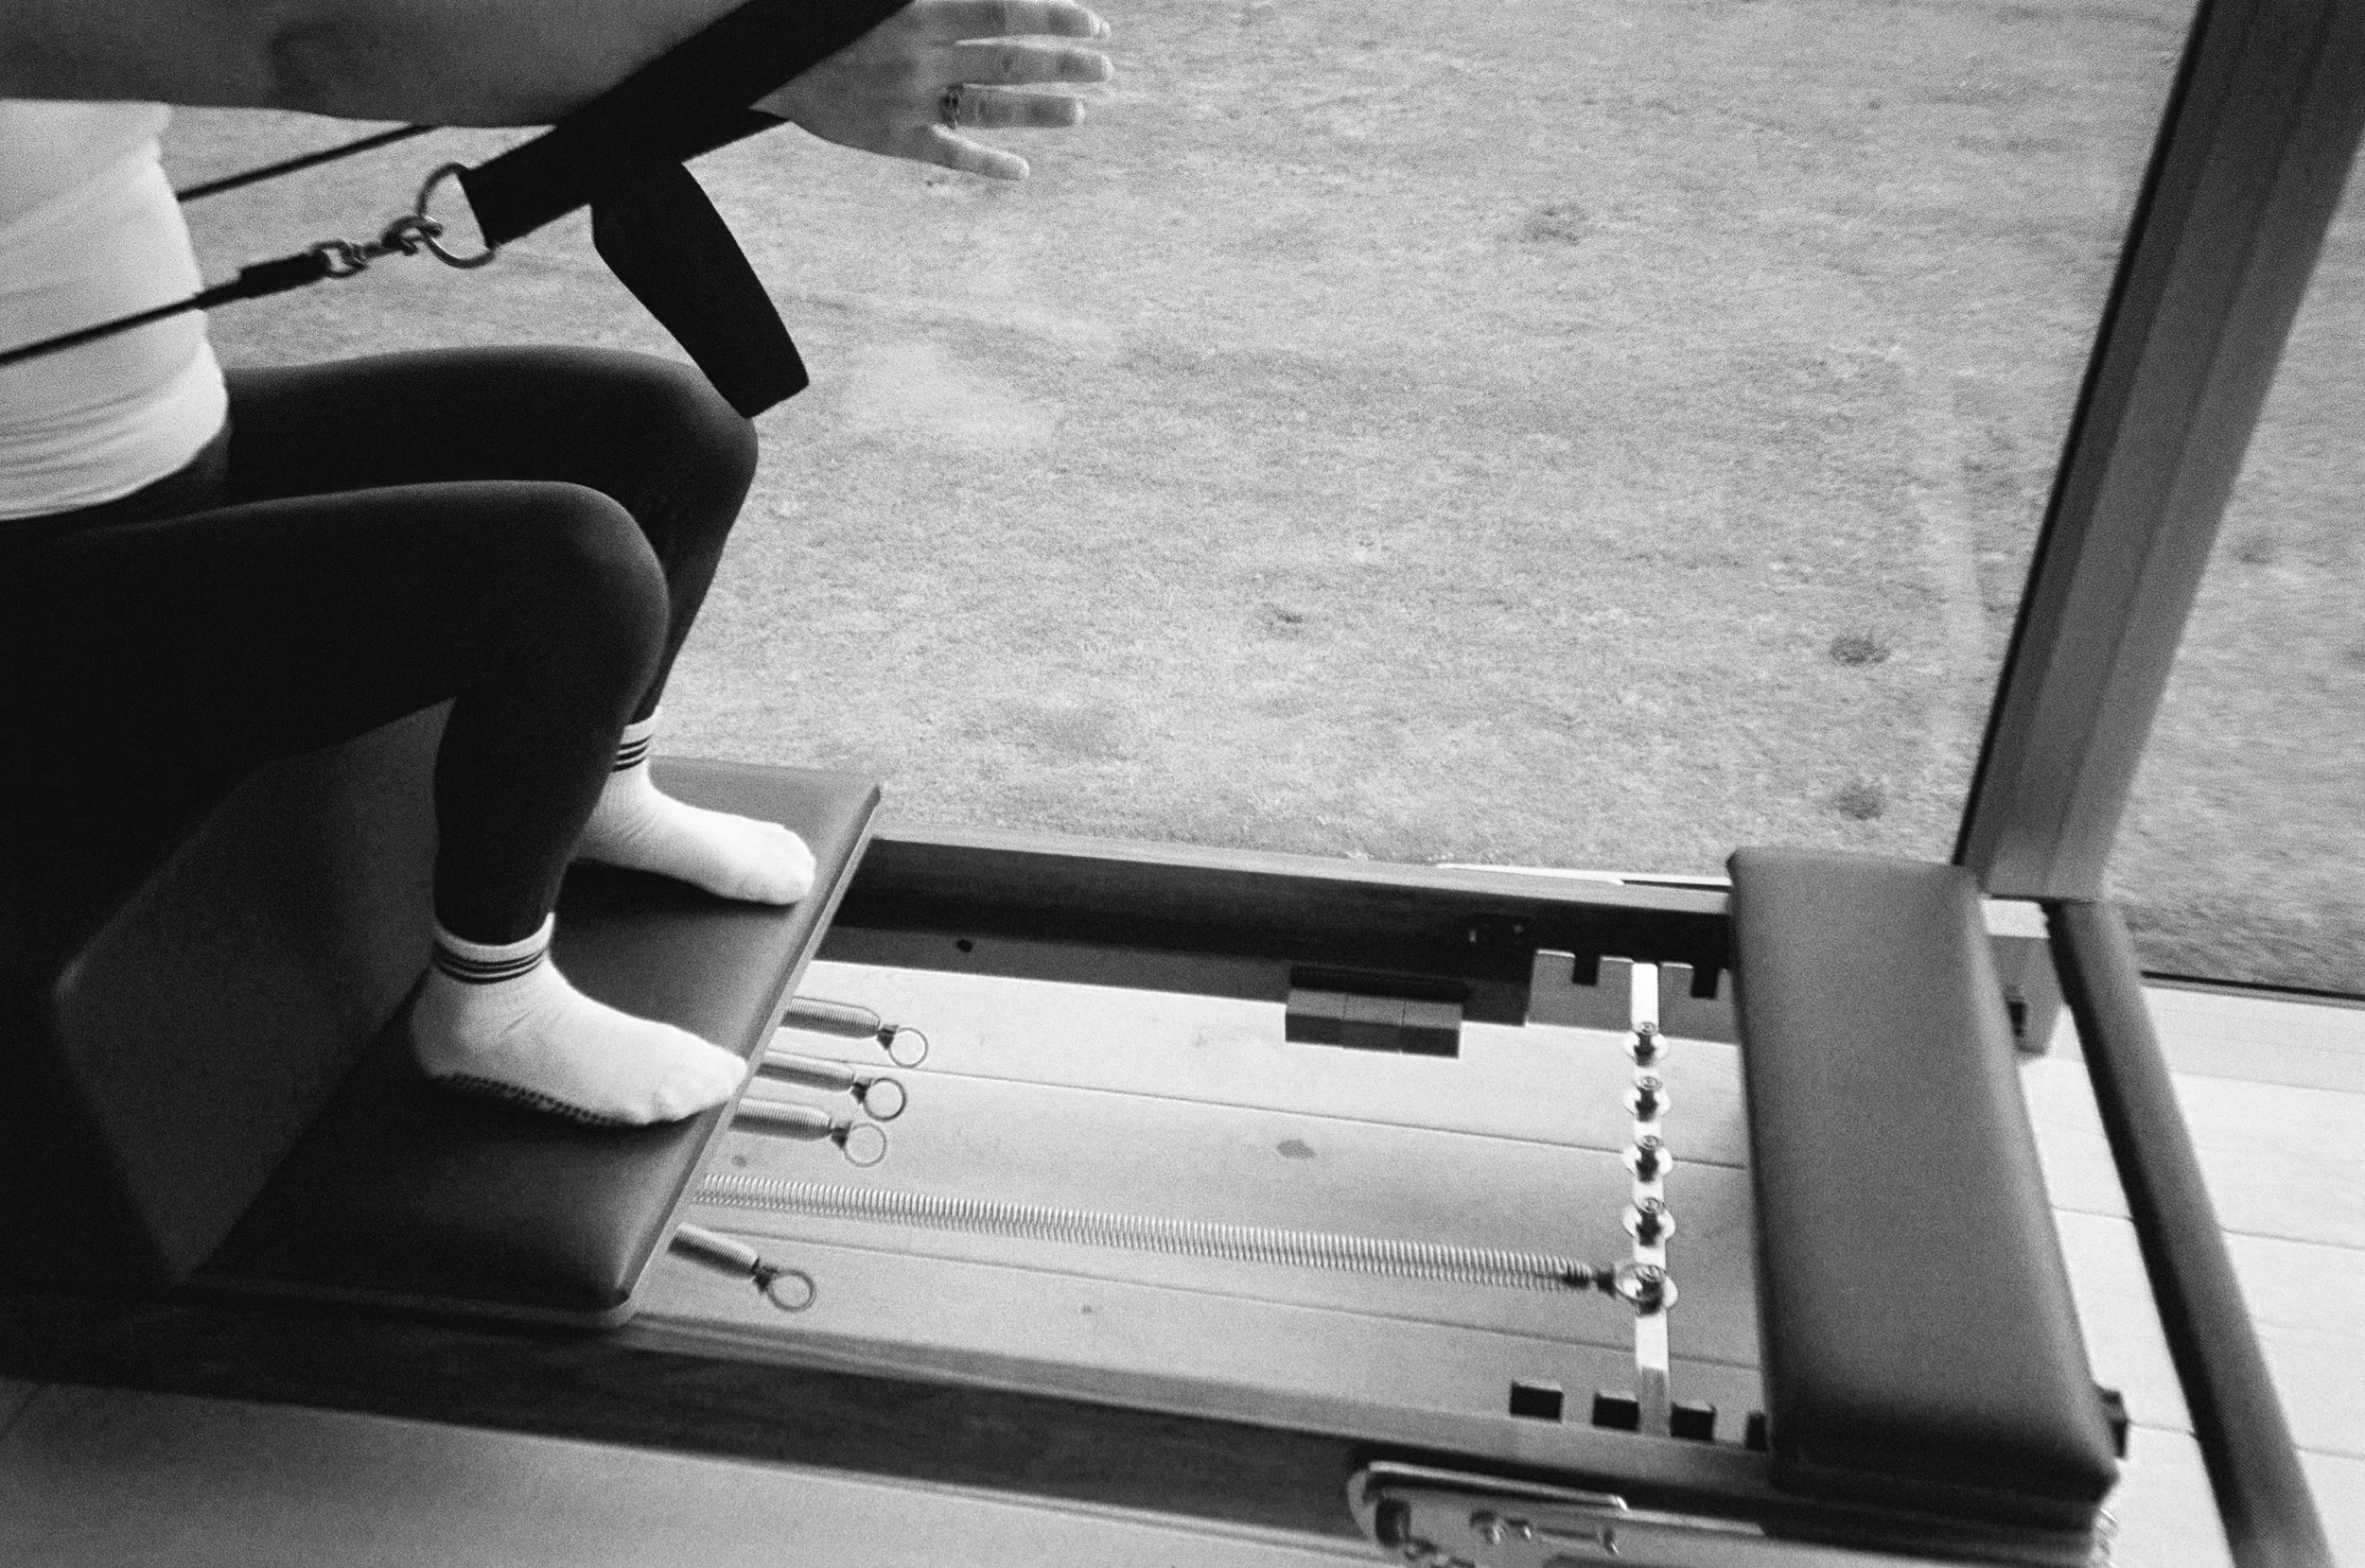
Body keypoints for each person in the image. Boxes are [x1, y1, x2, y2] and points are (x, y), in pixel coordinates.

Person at [0, 0, 1113, 1125]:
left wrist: (747, 39)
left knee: (666, 436)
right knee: (567, 575)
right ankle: (491, 1002)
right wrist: (767, 50)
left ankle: (596, 794)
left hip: (163, 448)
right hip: (35, 588)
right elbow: (305, 41)